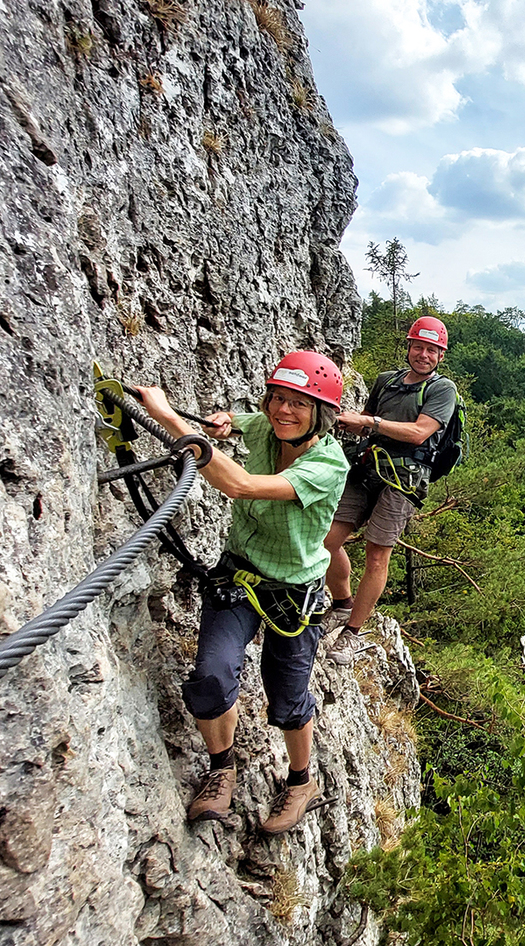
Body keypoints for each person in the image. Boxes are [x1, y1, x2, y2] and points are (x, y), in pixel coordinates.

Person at [137, 351, 349, 834]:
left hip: (294, 594)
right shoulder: (266, 428)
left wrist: (166, 416)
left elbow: (244, 486)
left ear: (321, 413)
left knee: (288, 696)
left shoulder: (327, 463)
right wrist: (223, 422)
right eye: (277, 398)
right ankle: (221, 770)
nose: (283, 411)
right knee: (212, 678)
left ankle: (301, 781)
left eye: (298, 403)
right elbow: (242, 421)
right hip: (238, 577)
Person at [320, 316, 457, 664]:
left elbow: (419, 433)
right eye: (419, 346)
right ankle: (342, 602)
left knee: (377, 554)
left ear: (440, 355)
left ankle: (352, 633)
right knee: (326, 540)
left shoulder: (442, 390)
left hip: (405, 478)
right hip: (368, 466)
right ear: (409, 346)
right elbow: (366, 420)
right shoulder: (386, 381)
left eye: (431, 350)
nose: (423, 354)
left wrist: (369, 422)